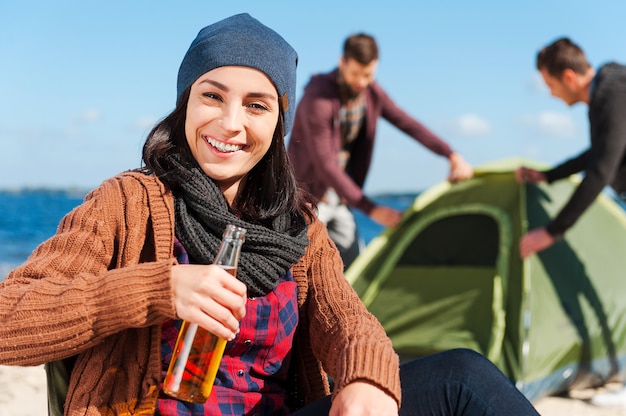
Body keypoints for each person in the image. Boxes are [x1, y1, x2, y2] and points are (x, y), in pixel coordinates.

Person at [0, 13, 539, 416]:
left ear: (279, 122)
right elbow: (9, 319)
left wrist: (365, 377)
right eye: (213, 96)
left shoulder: (297, 226)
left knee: (464, 378)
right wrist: (156, 289)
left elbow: (347, 319)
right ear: (185, 103)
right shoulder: (128, 201)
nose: (231, 122)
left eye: (257, 105)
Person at [287, 33, 473, 268]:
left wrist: (450, 153)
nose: (362, 82)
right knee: (300, 270)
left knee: (355, 267)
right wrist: (371, 209)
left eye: (368, 75)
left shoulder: (371, 94)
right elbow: (326, 164)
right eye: (355, 73)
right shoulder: (318, 96)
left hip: (340, 198)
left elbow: (407, 123)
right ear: (342, 62)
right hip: (306, 199)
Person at [517, 37, 626, 407]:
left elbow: (600, 170)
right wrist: (549, 176)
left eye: (550, 85)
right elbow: (598, 152)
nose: (550, 95)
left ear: (568, 76)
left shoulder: (613, 91)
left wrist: (551, 231)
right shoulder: (607, 91)